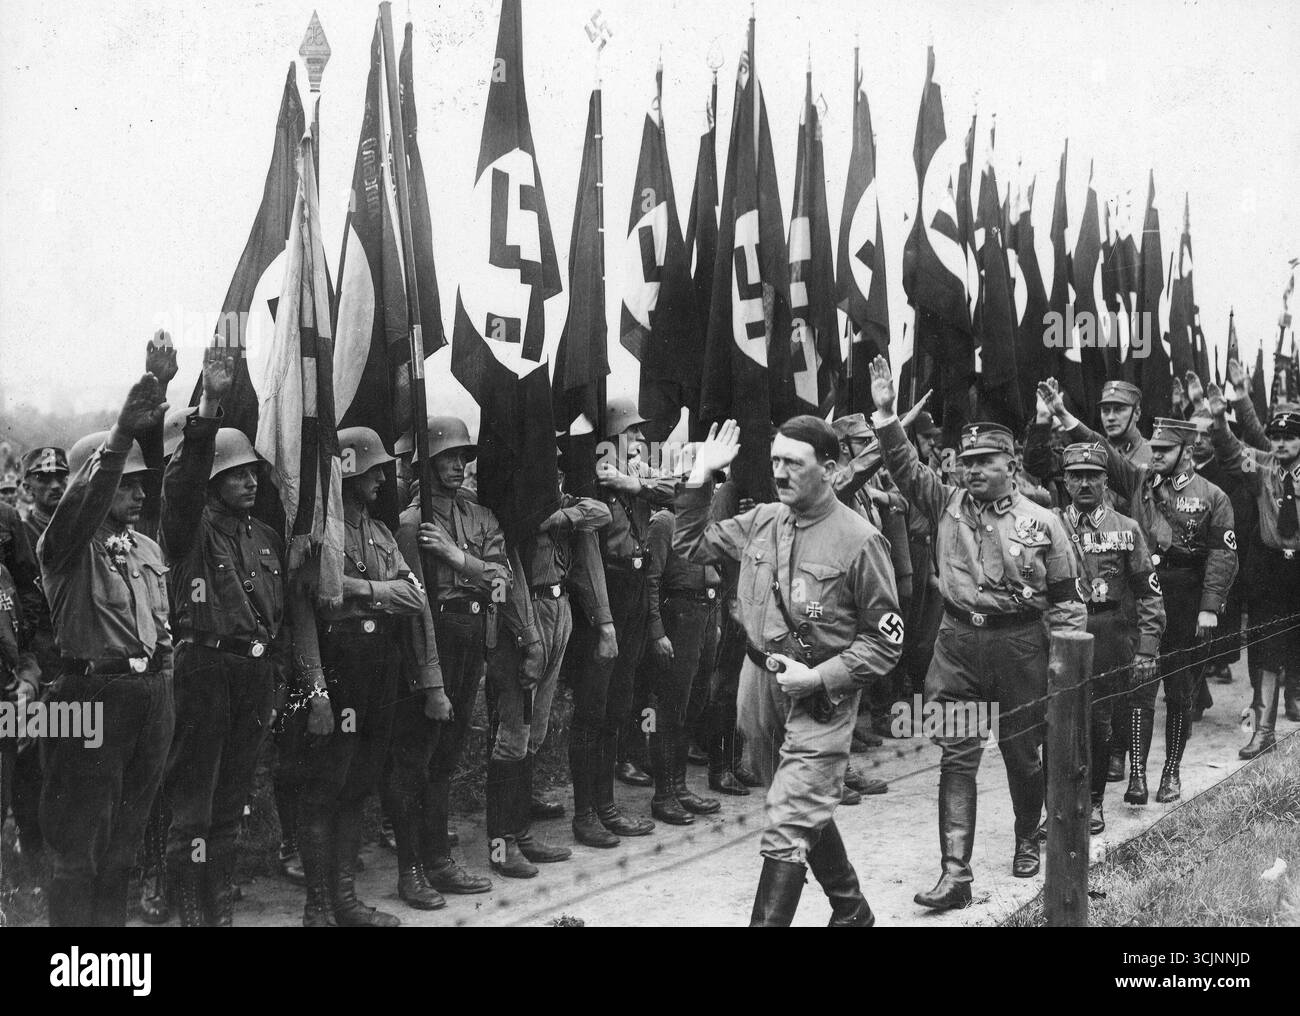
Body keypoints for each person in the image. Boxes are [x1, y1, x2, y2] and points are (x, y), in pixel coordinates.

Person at [872, 358, 1086, 910]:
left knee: (1023, 754)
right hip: (959, 646)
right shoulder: (945, 502)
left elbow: (1066, 605)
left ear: (1012, 464)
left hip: (1019, 649)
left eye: (985, 461)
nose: (972, 470)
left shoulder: (1045, 522)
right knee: (957, 754)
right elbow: (901, 464)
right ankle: (955, 875)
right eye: (966, 461)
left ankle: (1025, 836)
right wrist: (885, 413)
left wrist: (1065, 671)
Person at [675, 415, 903, 926]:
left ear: (829, 467)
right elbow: (690, 546)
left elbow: (886, 642)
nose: (780, 472)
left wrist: (820, 678)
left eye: (793, 463)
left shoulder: (860, 541)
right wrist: (701, 477)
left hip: (821, 696)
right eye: (775, 460)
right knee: (799, 807)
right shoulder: (762, 521)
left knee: (789, 820)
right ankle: (852, 910)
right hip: (758, 685)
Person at [1039, 378, 1237, 804]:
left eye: (1165, 451)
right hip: (1142, 595)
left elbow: (1222, 557)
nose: (1156, 457)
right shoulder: (1139, 482)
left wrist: (1210, 607)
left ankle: (1170, 773)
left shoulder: (1213, 496)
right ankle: (1136, 776)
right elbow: (1101, 449)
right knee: (1139, 687)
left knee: (1180, 690)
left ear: (1185, 451)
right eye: (1156, 450)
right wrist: (1063, 414)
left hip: (1186, 597)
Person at [37, 373, 174, 926]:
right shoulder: (64, 546)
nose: (139, 494)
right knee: (78, 847)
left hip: (148, 696)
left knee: (125, 842)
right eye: (127, 485)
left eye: (142, 485)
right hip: (89, 696)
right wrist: (120, 432)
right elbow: (88, 499)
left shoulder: (144, 545)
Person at [158, 352, 288, 926]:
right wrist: (208, 406)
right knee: (194, 801)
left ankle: (218, 899)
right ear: (214, 479)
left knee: (232, 796)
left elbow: (274, 614)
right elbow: (182, 483)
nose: (251, 480)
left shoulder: (262, 534)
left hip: (252, 673)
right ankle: (186, 900)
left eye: (254, 472)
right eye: (238, 473)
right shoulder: (188, 528)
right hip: (205, 670)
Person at [290, 426, 434, 927]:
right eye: (373, 472)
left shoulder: (381, 533)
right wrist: (316, 689)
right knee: (327, 783)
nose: (381, 481)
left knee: (359, 782)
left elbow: (414, 597)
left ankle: (345, 900)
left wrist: (357, 590)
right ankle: (318, 905)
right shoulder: (319, 537)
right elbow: (311, 600)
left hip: (379, 664)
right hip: (340, 663)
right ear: (348, 474)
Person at [388, 416, 525, 896]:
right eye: (446, 457)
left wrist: (454, 556)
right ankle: (414, 869)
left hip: (473, 636)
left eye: (462, 457)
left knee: (447, 755)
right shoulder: (410, 524)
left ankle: (437, 860)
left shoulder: (479, 516)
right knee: (417, 755)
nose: (457, 466)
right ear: (424, 464)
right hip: (434, 637)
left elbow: (502, 581)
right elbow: (414, 603)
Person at [1050, 440, 1165, 832]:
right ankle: (1058, 806)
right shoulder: (1051, 524)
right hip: (1061, 633)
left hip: (1107, 632)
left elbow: (1149, 593)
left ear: (1105, 482)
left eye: (1092, 476)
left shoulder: (1126, 529)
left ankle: (1094, 801)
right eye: (1076, 475)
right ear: (1064, 480)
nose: (1084, 483)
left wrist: (1147, 649)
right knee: (1057, 724)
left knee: (1100, 723)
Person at [1202, 372, 1300, 754]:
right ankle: (1264, 732)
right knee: (1268, 649)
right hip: (1272, 570)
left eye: (1289, 437)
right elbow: (1230, 450)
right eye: (1276, 438)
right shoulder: (1264, 468)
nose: (1280, 444)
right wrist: (1219, 418)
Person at [641, 507, 722, 825]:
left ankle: (680, 787)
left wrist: (714, 619)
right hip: (679, 614)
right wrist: (657, 631)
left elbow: (716, 570)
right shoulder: (665, 522)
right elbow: (651, 580)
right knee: (671, 707)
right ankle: (663, 796)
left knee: (694, 703)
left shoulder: (707, 522)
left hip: (705, 614)